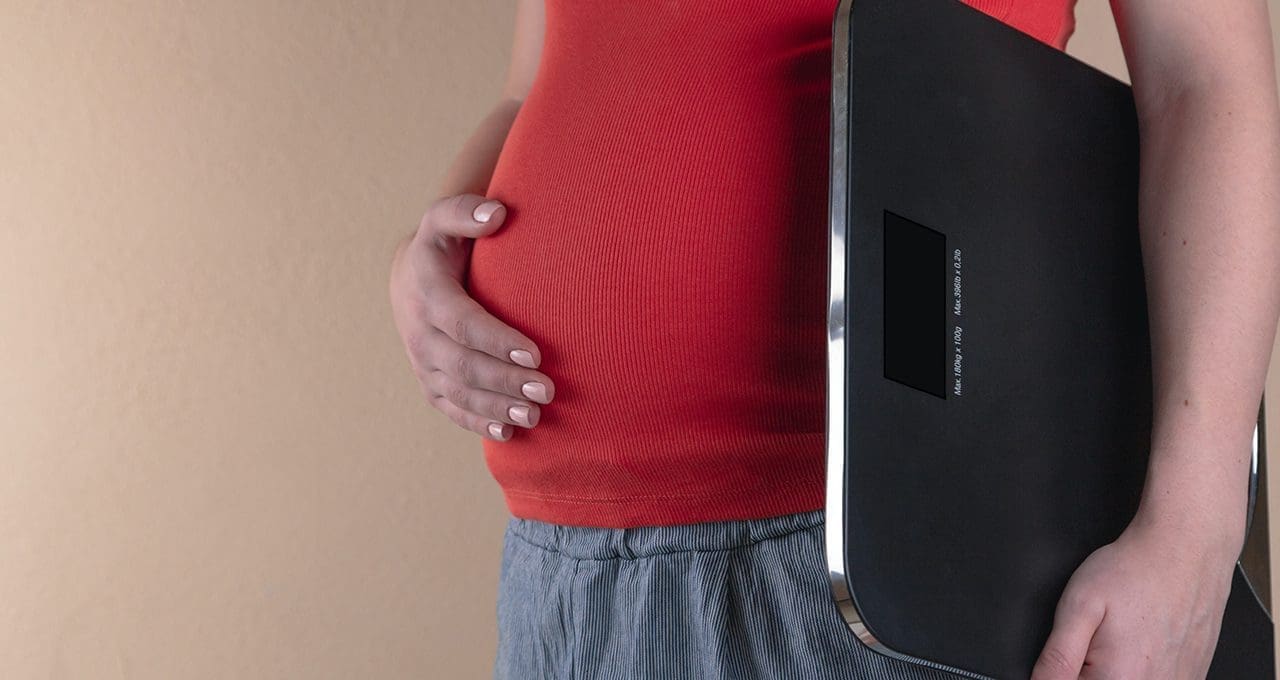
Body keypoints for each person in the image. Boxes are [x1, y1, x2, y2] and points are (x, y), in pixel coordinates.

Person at [388, 0, 1280, 677]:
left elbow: (1208, 81)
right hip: (561, 571)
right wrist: (425, 259)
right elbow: (532, 83)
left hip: (879, 571)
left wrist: (1195, 534)